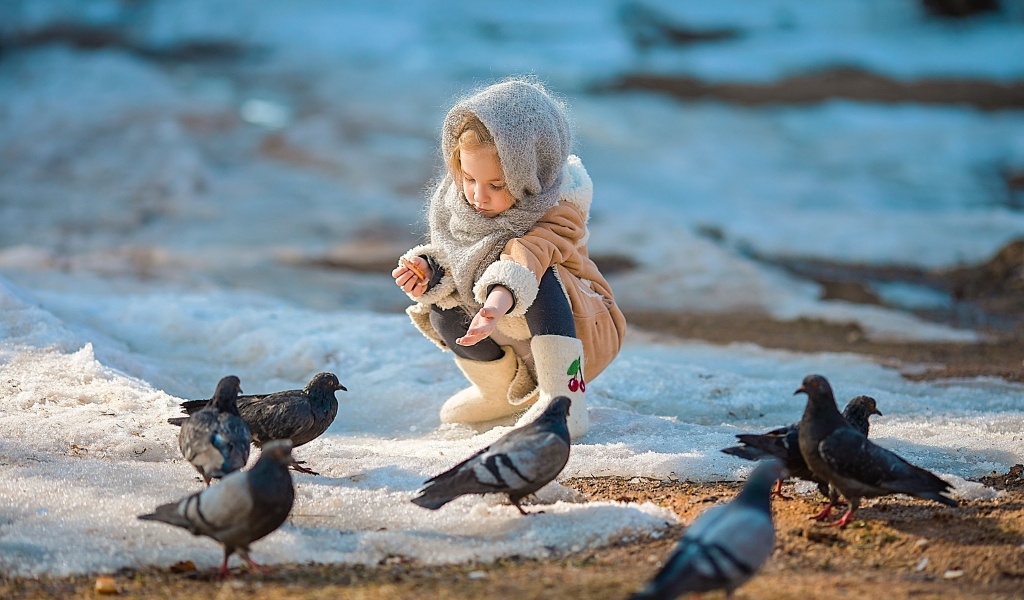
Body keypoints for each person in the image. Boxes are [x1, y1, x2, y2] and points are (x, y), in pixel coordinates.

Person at [392, 79, 626, 440]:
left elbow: (529, 255)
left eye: (497, 185)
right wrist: (429, 270)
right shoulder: (458, 204)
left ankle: (564, 402)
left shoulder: (560, 207)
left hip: (582, 328)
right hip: (509, 329)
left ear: (533, 171)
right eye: (469, 178)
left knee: (539, 275)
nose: (478, 196)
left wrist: (498, 299)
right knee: (442, 302)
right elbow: (458, 258)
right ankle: (499, 392)